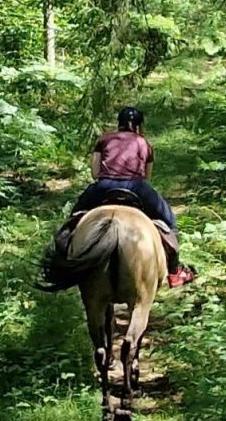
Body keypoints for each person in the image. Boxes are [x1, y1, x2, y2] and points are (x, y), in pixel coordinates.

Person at [69, 105, 196, 287]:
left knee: (73, 219)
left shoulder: (103, 140)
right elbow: (147, 176)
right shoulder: (144, 143)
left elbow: (95, 173)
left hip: (103, 186)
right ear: (138, 126)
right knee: (169, 221)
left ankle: (67, 257)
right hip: (136, 187)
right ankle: (174, 272)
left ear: (119, 123)